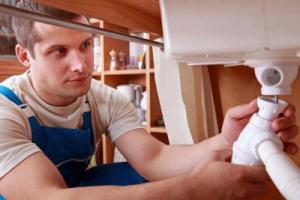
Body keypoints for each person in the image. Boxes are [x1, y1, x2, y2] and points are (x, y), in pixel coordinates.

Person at [0, 1, 298, 199]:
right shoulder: (5, 109)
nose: (81, 65)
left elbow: (155, 159)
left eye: (85, 45)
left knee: (137, 175)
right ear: (25, 56)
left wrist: (227, 142)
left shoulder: (102, 98)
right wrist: (194, 189)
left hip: (73, 188)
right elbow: (46, 197)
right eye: (59, 52)